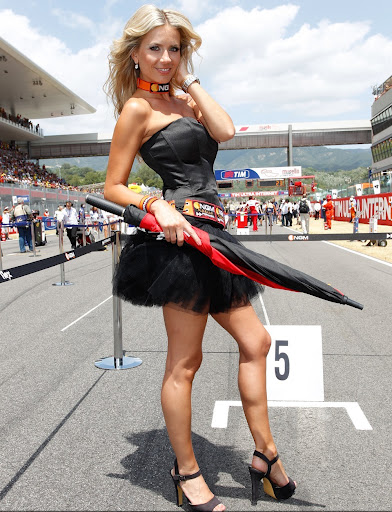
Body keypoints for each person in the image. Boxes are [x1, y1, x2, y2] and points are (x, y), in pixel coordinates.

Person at [103, 5, 296, 511]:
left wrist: (191, 83)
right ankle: (185, 470)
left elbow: (227, 131)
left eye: (175, 48)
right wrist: (156, 203)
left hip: (216, 235)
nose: (166, 58)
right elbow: (113, 186)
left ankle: (264, 452)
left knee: (257, 342)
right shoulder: (137, 110)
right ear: (135, 55)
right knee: (186, 363)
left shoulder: (187, 102)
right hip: (179, 242)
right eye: (155, 49)